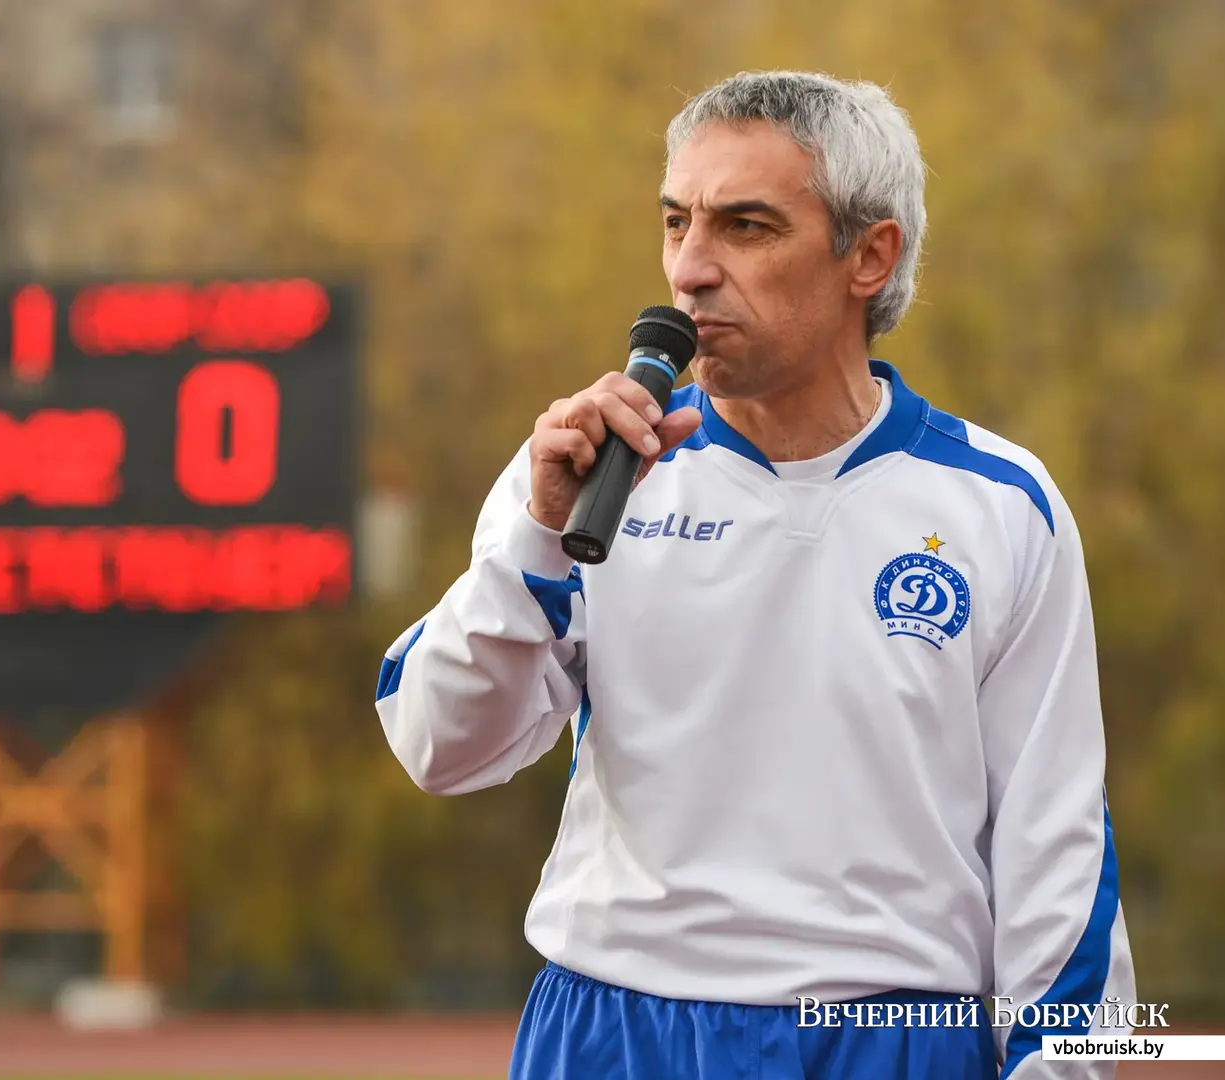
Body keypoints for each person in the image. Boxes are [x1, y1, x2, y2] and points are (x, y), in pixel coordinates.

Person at [374, 71, 1136, 1079]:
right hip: (616, 1033)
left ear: (868, 255)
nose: (689, 269)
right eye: (675, 221)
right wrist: (537, 536)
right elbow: (438, 744)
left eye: (744, 226)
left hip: (893, 1041)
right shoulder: (584, 474)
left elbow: (1058, 848)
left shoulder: (998, 503)